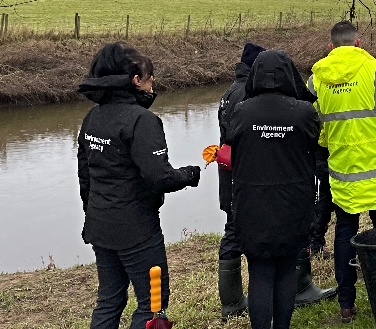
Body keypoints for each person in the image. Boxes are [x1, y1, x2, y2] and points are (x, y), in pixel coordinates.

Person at [77, 42, 201, 329]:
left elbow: (85, 178)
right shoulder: (143, 121)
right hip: (138, 230)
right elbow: (160, 177)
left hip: (100, 224)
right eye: (149, 76)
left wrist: (93, 213)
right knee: (153, 305)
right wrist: (189, 174)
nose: (152, 81)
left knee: (109, 299)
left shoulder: (92, 117)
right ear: (136, 80)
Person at [308, 21, 376, 323]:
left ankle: (346, 304)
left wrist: (328, 141)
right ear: (358, 43)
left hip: (343, 172)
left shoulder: (317, 79)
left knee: (344, 232)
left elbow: (311, 121)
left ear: (330, 47)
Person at [224, 49, 321, 329]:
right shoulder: (304, 112)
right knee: (286, 269)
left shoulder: (242, 111)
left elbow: (231, 143)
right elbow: (314, 144)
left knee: (260, 272)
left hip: (252, 204)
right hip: (293, 203)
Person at [216, 41, 266, 319]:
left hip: (228, 173)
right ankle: (234, 302)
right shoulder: (246, 93)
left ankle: (232, 300)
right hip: (241, 176)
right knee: (237, 232)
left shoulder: (229, 92)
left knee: (232, 229)